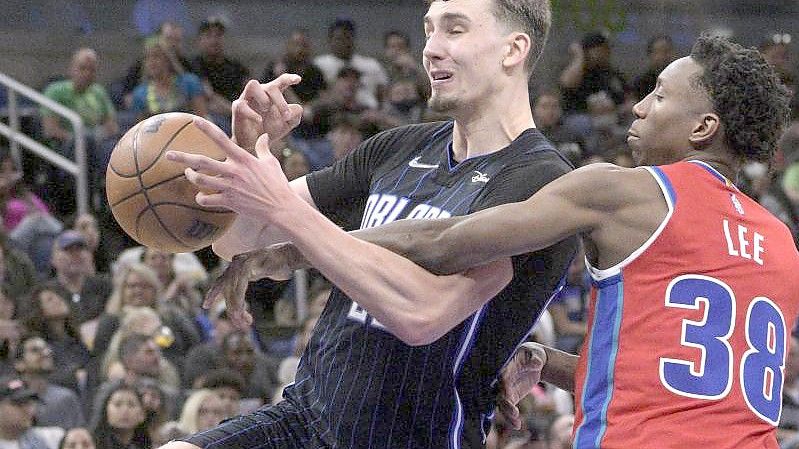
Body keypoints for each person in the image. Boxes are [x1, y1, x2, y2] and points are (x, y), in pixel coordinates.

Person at [200, 35, 795, 448]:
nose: (638, 106)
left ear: (702, 127)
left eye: (659, 96)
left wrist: (294, 242)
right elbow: (679, 380)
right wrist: (541, 361)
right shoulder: (780, 241)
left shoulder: (625, 192)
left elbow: (450, 241)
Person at [164, 0, 575, 448]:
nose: (431, 49)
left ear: (513, 50)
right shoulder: (398, 148)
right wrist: (250, 152)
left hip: (415, 436)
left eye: (454, 31)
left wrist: (283, 208)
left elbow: (422, 316)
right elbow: (241, 241)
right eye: (429, 30)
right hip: (305, 417)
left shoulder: (541, 181)